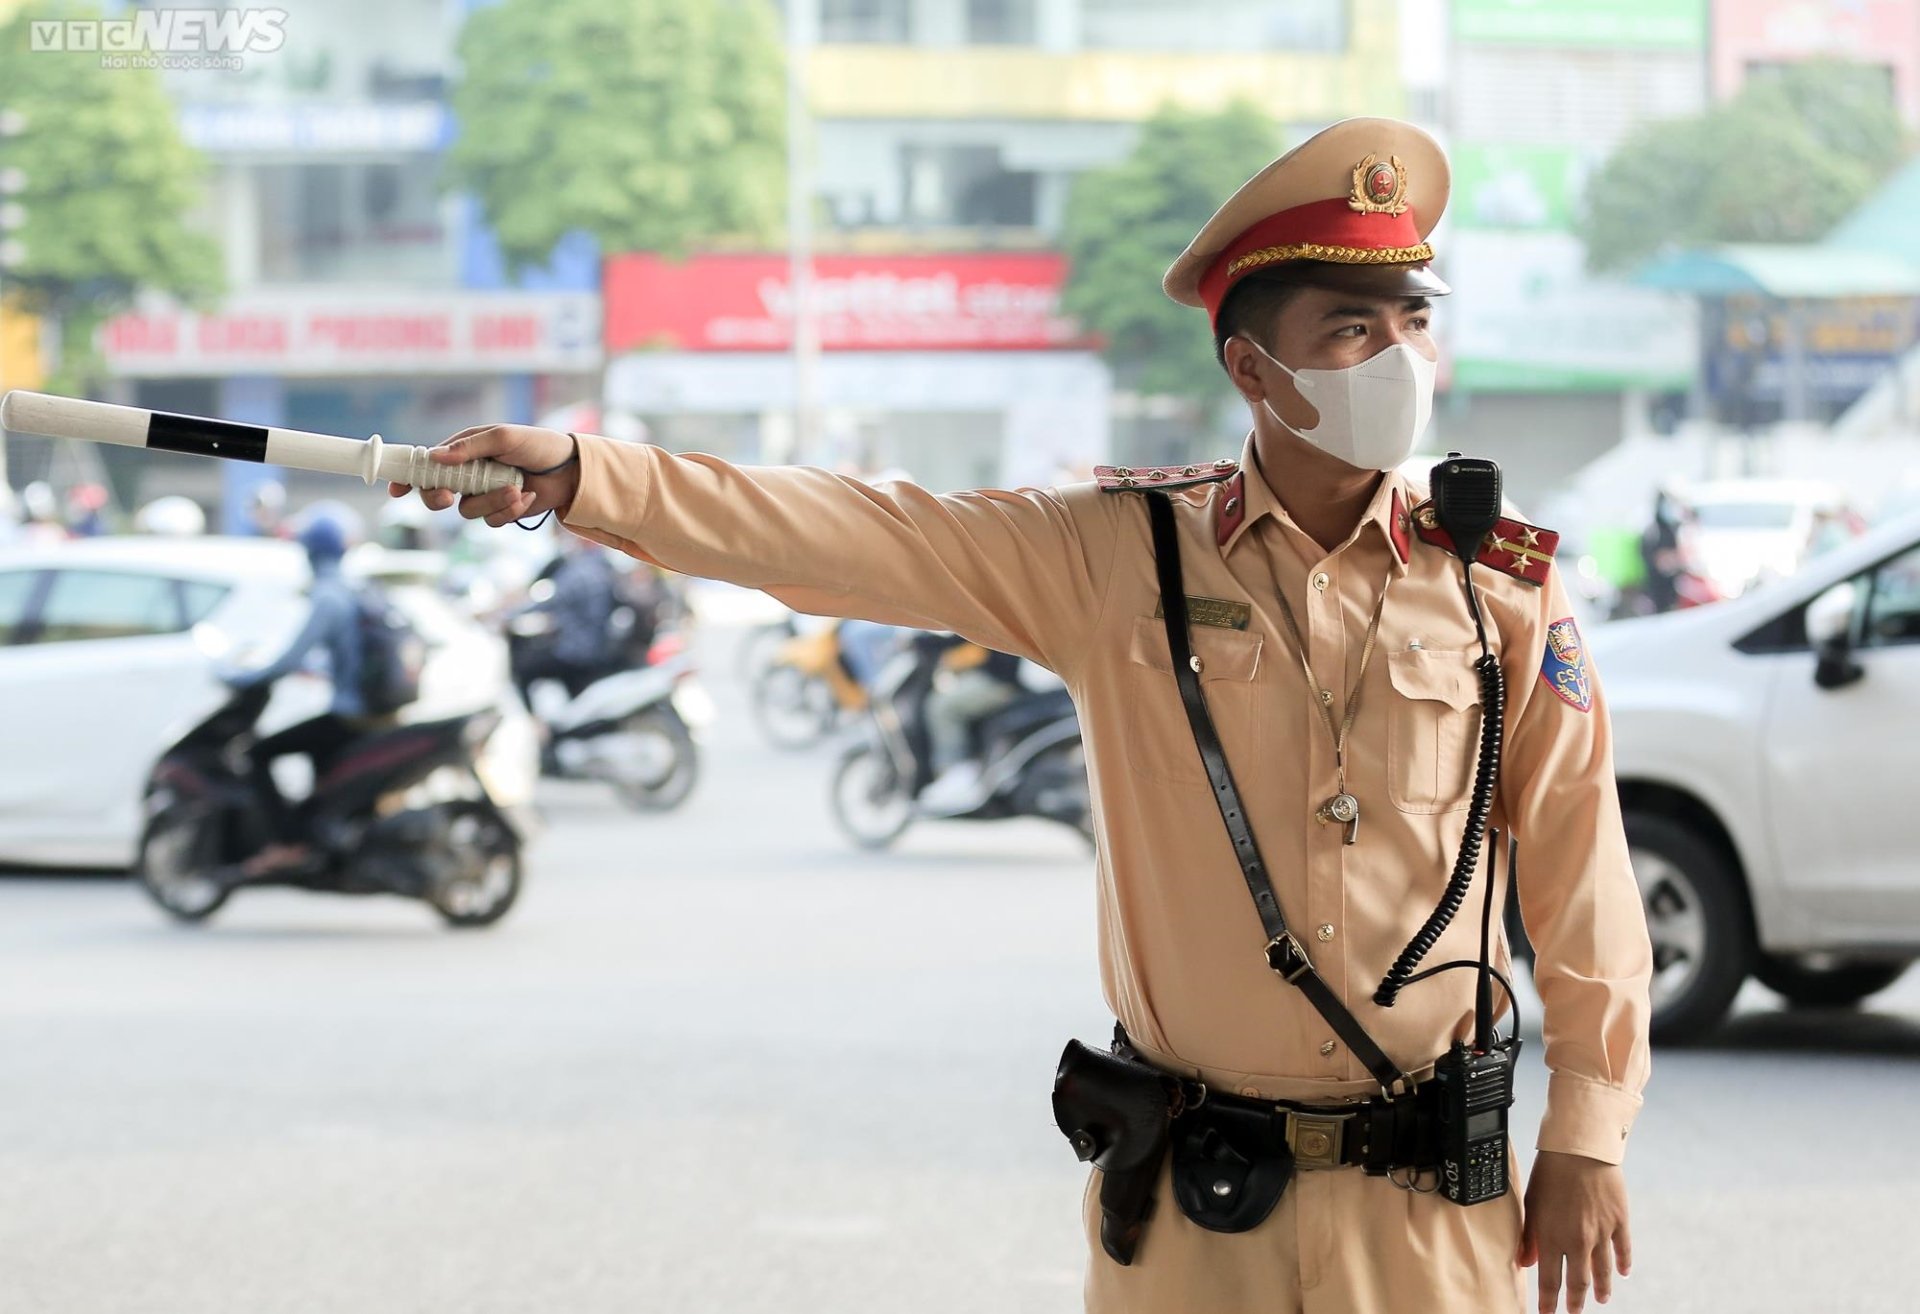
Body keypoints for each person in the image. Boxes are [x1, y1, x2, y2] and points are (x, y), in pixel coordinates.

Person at [394, 118, 1650, 1314]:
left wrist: (1587, 1132)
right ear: (1251, 368)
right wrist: (587, 474)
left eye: (1412, 321)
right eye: (1349, 328)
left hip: (1429, 1201)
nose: (1396, 357)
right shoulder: (1118, 560)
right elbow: (857, 534)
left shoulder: (1502, 585)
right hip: (1194, 1203)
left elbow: (1580, 864)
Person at [225, 515, 372, 876]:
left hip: (348, 715)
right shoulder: (354, 588)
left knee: (256, 754)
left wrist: (246, 677)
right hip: (372, 712)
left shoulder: (327, 596)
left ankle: (289, 842)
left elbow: (289, 659)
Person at [917, 635, 1027, 812]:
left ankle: (957, 773)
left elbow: (977, 651)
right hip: (997, 675)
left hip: (999, 681)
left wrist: (947, 659)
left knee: (942, 707)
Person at [512, 532, 617, 706]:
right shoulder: (604, 568)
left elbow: (547, 601)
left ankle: (538, 726)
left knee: (524, 669)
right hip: (597, 647)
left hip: (576, 651)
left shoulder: (577, 571)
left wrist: (511, 615)